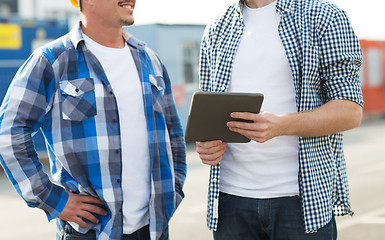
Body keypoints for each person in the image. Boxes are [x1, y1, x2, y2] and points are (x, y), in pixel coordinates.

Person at [0, 0, 186, 239]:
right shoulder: (52, 61)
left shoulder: (151, 61)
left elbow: (173, 132)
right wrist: (52, 199)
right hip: (92, 231)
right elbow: (9, 132)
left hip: (154, 229)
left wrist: (175, 188)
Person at [197, 0, 363, 239]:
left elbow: (350, 110)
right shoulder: (217, 28)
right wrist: (207, 145)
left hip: (301, 203)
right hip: (231, 201)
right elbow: (209, 112)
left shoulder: (325, 16)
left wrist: (282, 125)